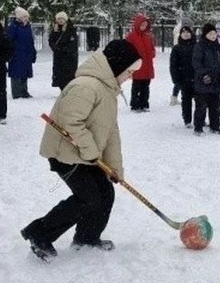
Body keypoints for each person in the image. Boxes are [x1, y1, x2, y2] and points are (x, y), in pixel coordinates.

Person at [20, 39, 142, 260]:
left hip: (87, 155)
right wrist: (91, 152)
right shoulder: (86, 86)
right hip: (65, 155)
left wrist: (114, 169)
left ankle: (87, 237)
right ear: (117, 66)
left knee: (105, 193)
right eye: (129, 71)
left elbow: (111, 133)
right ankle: (39, 233)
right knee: (88, 198)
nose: (130, 76)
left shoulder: (107, 90)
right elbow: (71, 122)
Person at [192, 22, 220, 136]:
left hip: (216, 81)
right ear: (205, 34)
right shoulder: (199, 46)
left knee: (215, 106)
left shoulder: (218, 47)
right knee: (201, 106)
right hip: (203, 82)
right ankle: (198, 127)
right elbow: (196, 63)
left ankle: (215, 126)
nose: (213, 35)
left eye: (214, 33)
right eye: (210, 33)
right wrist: (204, 75)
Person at [125, 12, 156, 112]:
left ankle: (144, 104)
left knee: (146, 86)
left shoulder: (148, 37)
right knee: (136, 86)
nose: (143, 27)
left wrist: (151, 54)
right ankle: (135, 104)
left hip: (147, 65)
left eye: (145, 25)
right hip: (137, 65)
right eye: (142, 25)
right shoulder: (131, 36)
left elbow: (152, 49)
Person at [169, 25, 196, 127]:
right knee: (186, 100)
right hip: (184, 79)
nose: (186, 34)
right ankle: (187, 120)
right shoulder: (177, 48)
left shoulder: (197, 46)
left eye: (188, 32)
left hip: (196, 78)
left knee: (200, 100)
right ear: (180, 35)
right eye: (183, 32)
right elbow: (173, 65)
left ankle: (199, 119)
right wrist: (176, 79)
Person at [7, 7, 36, 99]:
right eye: (24, 17)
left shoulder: (28, 27)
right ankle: (16, 93)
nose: (26, 18)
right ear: (19, 17)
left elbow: (31, 41)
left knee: (25, 74)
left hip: (26, 53)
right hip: (16, 54)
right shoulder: (13, 27)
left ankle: (24, 91)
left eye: (27, 17)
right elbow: (9, 40)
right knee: (16, 74)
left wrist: (33, 53)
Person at [49, 11, 79, 90]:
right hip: (58, 56)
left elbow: (73, 43)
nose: (61, 21)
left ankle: (68, 88)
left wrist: (64, 49)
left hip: (69, 57)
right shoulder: (55, 29)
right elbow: (51, 40)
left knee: (68, 74)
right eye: (59, 19)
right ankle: (61, 88)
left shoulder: (71, 29)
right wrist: (55, 48)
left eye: (62, 19)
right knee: (59, 73)